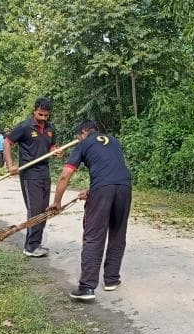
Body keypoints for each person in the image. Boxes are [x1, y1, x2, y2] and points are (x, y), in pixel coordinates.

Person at [48, 120, 132, 300]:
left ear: (83, 133)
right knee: (118, 234)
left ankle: (86, 287)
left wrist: (56, 202)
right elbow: (110, 170)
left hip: (104, 189)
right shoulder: (114, 141)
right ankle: (111, 279)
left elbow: (65, 175)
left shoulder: (83, 144)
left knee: (93, 235)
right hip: (124, 187)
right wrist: (92, 191)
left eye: (78, 137)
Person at [4, 97, 62, 257]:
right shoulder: (24, 126)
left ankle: (36, 244)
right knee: (35, 209)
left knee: (44, 210)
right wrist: (11, 165)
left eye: (46, 115)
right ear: (34, 110)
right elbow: (7, 142)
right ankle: (30, 247)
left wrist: (56, 150)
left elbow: (52, 145)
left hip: (45, 172)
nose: (43, 118)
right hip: (29, 174)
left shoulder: (50, 128)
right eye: (40, 115)